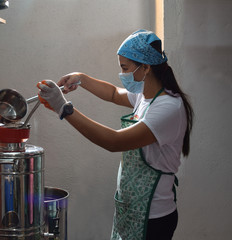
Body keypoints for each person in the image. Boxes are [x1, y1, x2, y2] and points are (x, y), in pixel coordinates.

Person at [37, 29, 193, 240]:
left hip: (153, 217)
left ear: (146, 67)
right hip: (130, 209)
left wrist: (63, 108)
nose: (123, 74)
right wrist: (81, 78)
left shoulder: (168, 107)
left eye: (125, 68)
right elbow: (112, 93)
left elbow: (114, 141)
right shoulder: (144, 96)